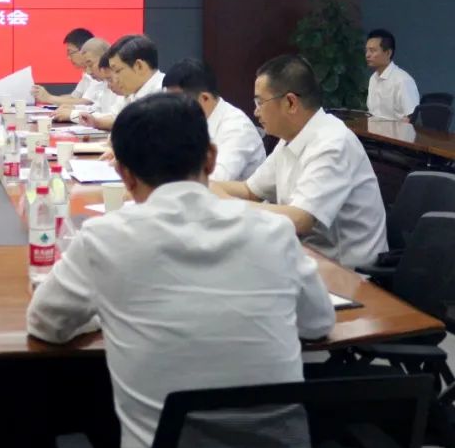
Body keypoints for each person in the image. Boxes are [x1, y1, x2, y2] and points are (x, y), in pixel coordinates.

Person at [27, 92, 334, 448]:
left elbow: (45, 324)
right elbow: (319, 324)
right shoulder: (275, 231)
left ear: (123, 174)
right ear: (210, 158)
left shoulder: (104, 238)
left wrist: (106, 314)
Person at [213, 55, 387, 268]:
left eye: (260, 102)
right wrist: (201, 185)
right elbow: (250, 191)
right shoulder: (290, 138)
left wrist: (228, 204)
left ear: (290, 103)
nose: (256, 111)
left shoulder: (333, 142)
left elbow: (300, 219)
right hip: (306, 257)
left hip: (349, 274)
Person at [163, 58, 266, 182]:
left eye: (177, 101)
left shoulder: (237, 128)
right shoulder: (186, 122)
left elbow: (215, 179)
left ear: (205, 98)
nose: (172, 108)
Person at [78, 34, 163, 130]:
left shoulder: (163, 92)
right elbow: (116, 117)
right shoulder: (132, 91)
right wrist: (96, 122)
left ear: (139, 66)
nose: (115, 79)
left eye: (117, 71)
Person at [59, 38, 124, 123]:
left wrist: (73, 114)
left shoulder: (121, 83)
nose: (88, 72)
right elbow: (97, 109)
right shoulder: (104, 83)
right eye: (85, 66)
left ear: (104, 58)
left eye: (90, 65)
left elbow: (114, 118)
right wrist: (74, 108)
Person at [365, 28, 419, 121]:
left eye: (372, 51)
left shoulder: (402, 81)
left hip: (396, 130)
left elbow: (412, 117)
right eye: (366, 50)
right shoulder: (373, 78)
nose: (367, 55)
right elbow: (372, 113)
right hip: (373, 129)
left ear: (388, 53)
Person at [32, 28, 96, 107]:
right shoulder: (86, 74)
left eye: (71, 52)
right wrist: (44, 97)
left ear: (84, 51)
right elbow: (74, 98)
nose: (68, 58)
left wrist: (49, 98)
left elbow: (87, 102)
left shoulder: (98, 73)